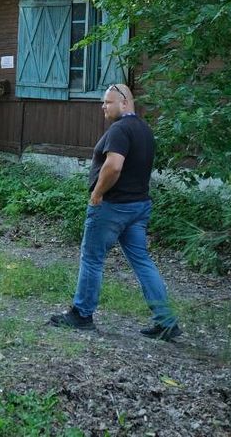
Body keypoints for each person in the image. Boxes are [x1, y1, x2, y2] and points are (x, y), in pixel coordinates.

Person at [49, 84, 182, 340]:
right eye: (103, 102)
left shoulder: (120, 130)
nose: (103, 107)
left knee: (92, 257)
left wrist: (97, 194)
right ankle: (166, 321)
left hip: (113, 207)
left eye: (108, 102)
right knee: (142, 262)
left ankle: (81, 315)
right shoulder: (144, 129)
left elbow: (114, 166)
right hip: (138, 207)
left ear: (125, 103)